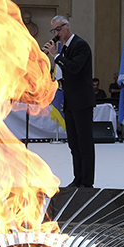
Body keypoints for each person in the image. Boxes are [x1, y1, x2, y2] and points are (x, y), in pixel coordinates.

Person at [42, 16, 96, 187]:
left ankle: (87, 182)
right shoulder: (64, 48)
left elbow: (74, 68)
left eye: (58, 29)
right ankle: (78, 178)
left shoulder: (81, 45)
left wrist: (55, 55)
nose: (56, 34)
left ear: (67, 27)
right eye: (54, 31)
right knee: (74, 143)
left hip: (82, 101)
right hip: (70, 101)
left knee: (85, 143)